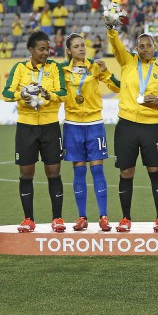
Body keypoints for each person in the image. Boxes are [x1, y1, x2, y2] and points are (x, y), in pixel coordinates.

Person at [107, 26, 158, 232]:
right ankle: (125, 218)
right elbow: (117, 47)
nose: (145, 49)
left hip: (151, 127)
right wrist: (112, 31)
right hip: (126, 126)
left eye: (148, 45)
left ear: (154, 47)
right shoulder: (127, 62)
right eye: (141, 46)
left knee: (155, 171)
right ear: (136, 48)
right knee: (126, 172)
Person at [2, 31, 67, 233]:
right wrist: (22, 94)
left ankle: (57, 218)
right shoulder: (19, 68)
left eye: (48, 48)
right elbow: (6, 93)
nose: (46, 52)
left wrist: (48, 95)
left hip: (50, 126)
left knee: (53, 172)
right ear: (31, 49)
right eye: (41, 49)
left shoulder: (55, 67)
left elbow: (63, 93)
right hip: (26, 127)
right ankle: (28, 219)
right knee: (26, 174)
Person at [60, 33, 120, 232]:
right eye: (76, 46)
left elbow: (117, 88)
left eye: (83, 45)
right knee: (79, 170)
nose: (81, 49)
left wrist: (106, 71)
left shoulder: (95, 65)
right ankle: (82, 217)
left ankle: (103, 217)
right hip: (72, 125)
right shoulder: (62, 70)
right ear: (69, 50)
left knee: (97, 169)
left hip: (95, 123)